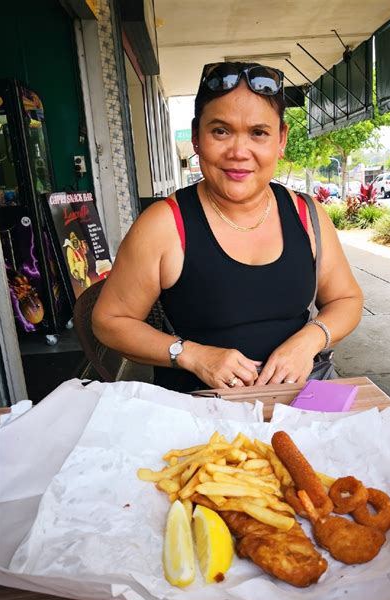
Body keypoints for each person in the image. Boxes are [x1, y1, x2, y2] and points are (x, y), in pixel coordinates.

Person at [92, 62, 363, 392]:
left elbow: (347, 299)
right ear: (196, 138)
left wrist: (309, 341)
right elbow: (109, 322)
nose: (238, 152)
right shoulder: (164, 225)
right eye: (220, 131)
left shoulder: (308, 215)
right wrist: (192, 355)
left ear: (281, 139)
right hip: (198, 414)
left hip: (300, 401)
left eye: (258, 133)